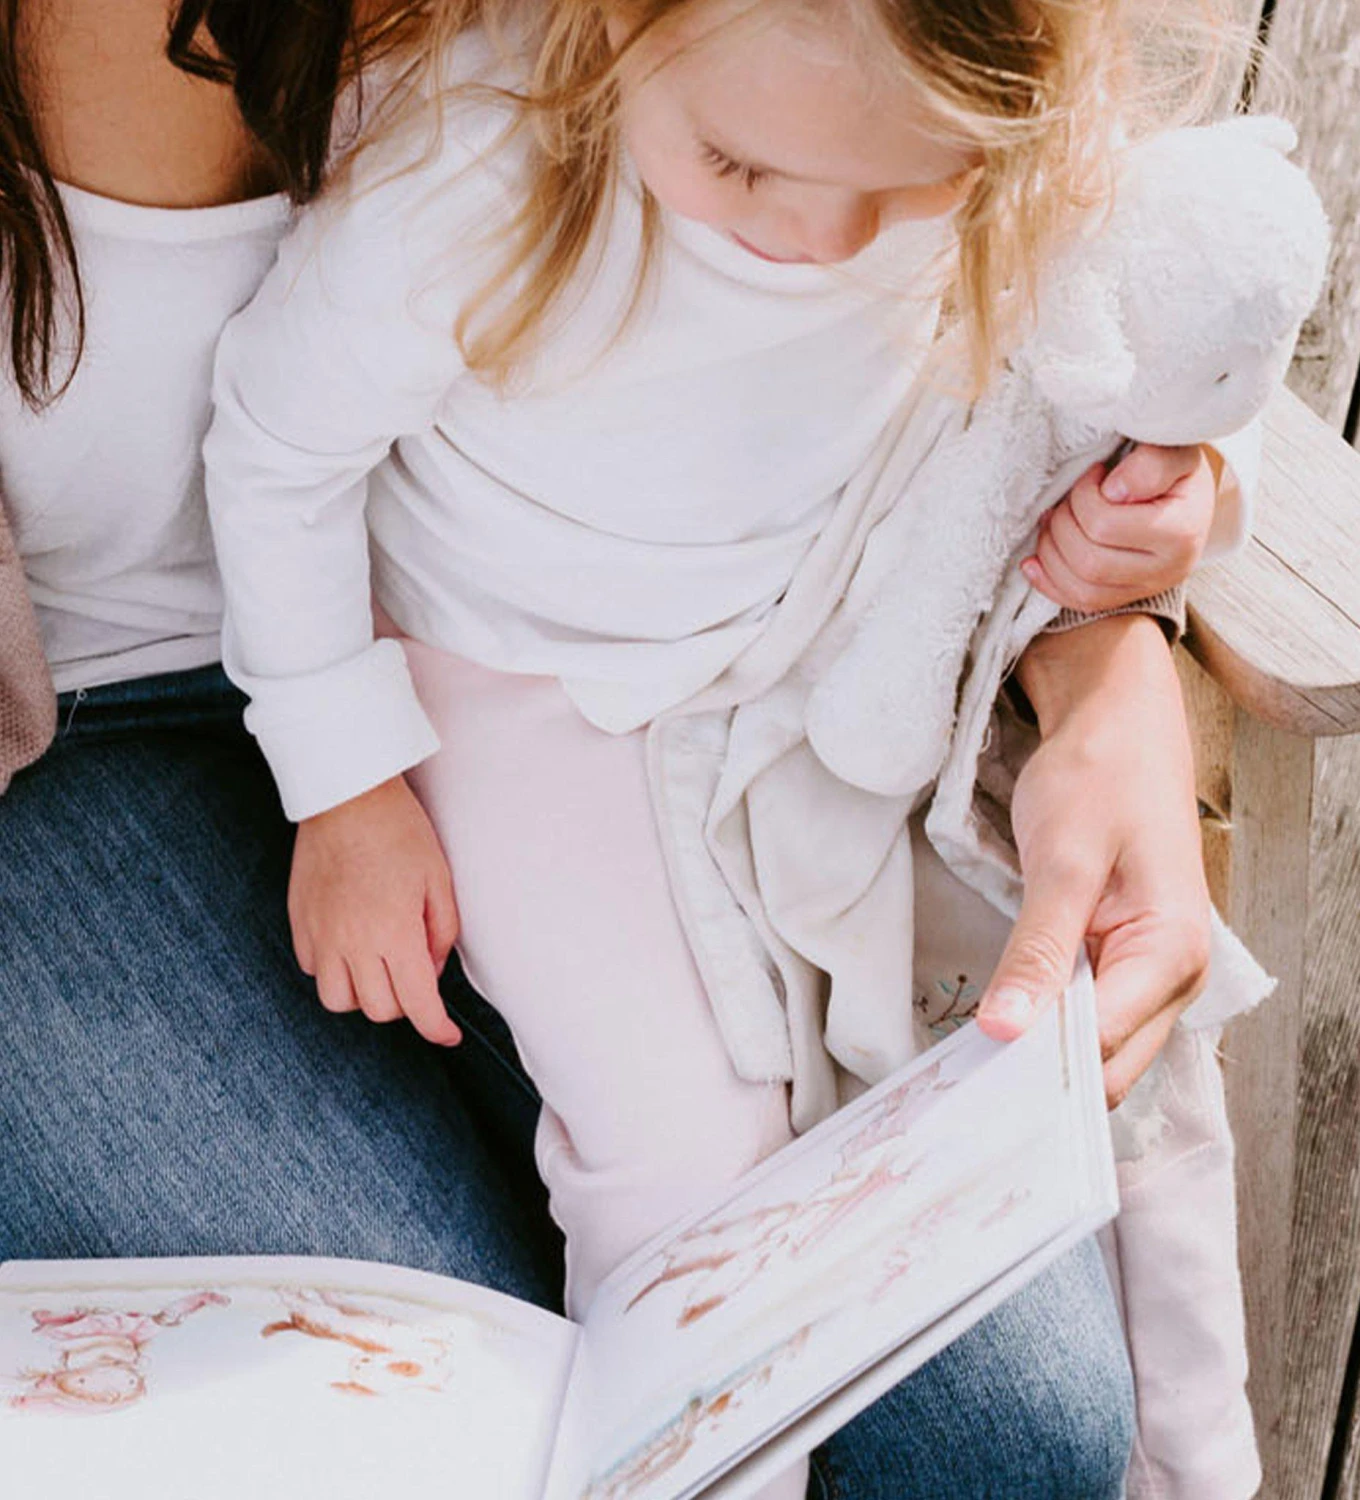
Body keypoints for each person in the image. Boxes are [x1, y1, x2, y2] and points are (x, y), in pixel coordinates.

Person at [0, 3, 1219, 1495]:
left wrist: (1113, 639)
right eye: (743, 172)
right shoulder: (481, 175)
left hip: (649, 680)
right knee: (447, 1447)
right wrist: (345, 773)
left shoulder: (764, 79)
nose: (818, 239)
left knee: (1001, 1446)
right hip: (86, 737)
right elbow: (282, 444)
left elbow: (1117, 218)